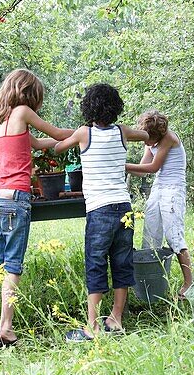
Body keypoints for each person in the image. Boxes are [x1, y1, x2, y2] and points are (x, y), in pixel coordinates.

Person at [0, 68, 72, 349]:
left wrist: (61, 142)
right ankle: (6, 327)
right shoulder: (23, 112)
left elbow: (42, 142)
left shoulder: (1, 120)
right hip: (16, 197)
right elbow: (54, 132)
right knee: (13, 265)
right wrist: (82, 134)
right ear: (28, 93)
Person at [52, 83, 148, 340]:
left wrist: (67, 138)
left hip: (99, 209)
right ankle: (116, 319)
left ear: (88, 107)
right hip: (124, 207)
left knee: (95, 263)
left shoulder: (84, 133)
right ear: (116, 108)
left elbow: (58, 148)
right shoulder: (123, 132)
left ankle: (92, 325)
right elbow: (146, 135)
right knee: (121, 262)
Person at [126, 111, 192, 299]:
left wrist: (122, 165)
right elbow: (142, 170)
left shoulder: (169, 138)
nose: (145, 141)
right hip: (158, 188)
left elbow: (153, 167)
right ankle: (152, 284)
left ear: (158, 133)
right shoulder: (151, 142)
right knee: (151, 236)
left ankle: (189, 283)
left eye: (149, 137)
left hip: (173, 189)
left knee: (174, 236)